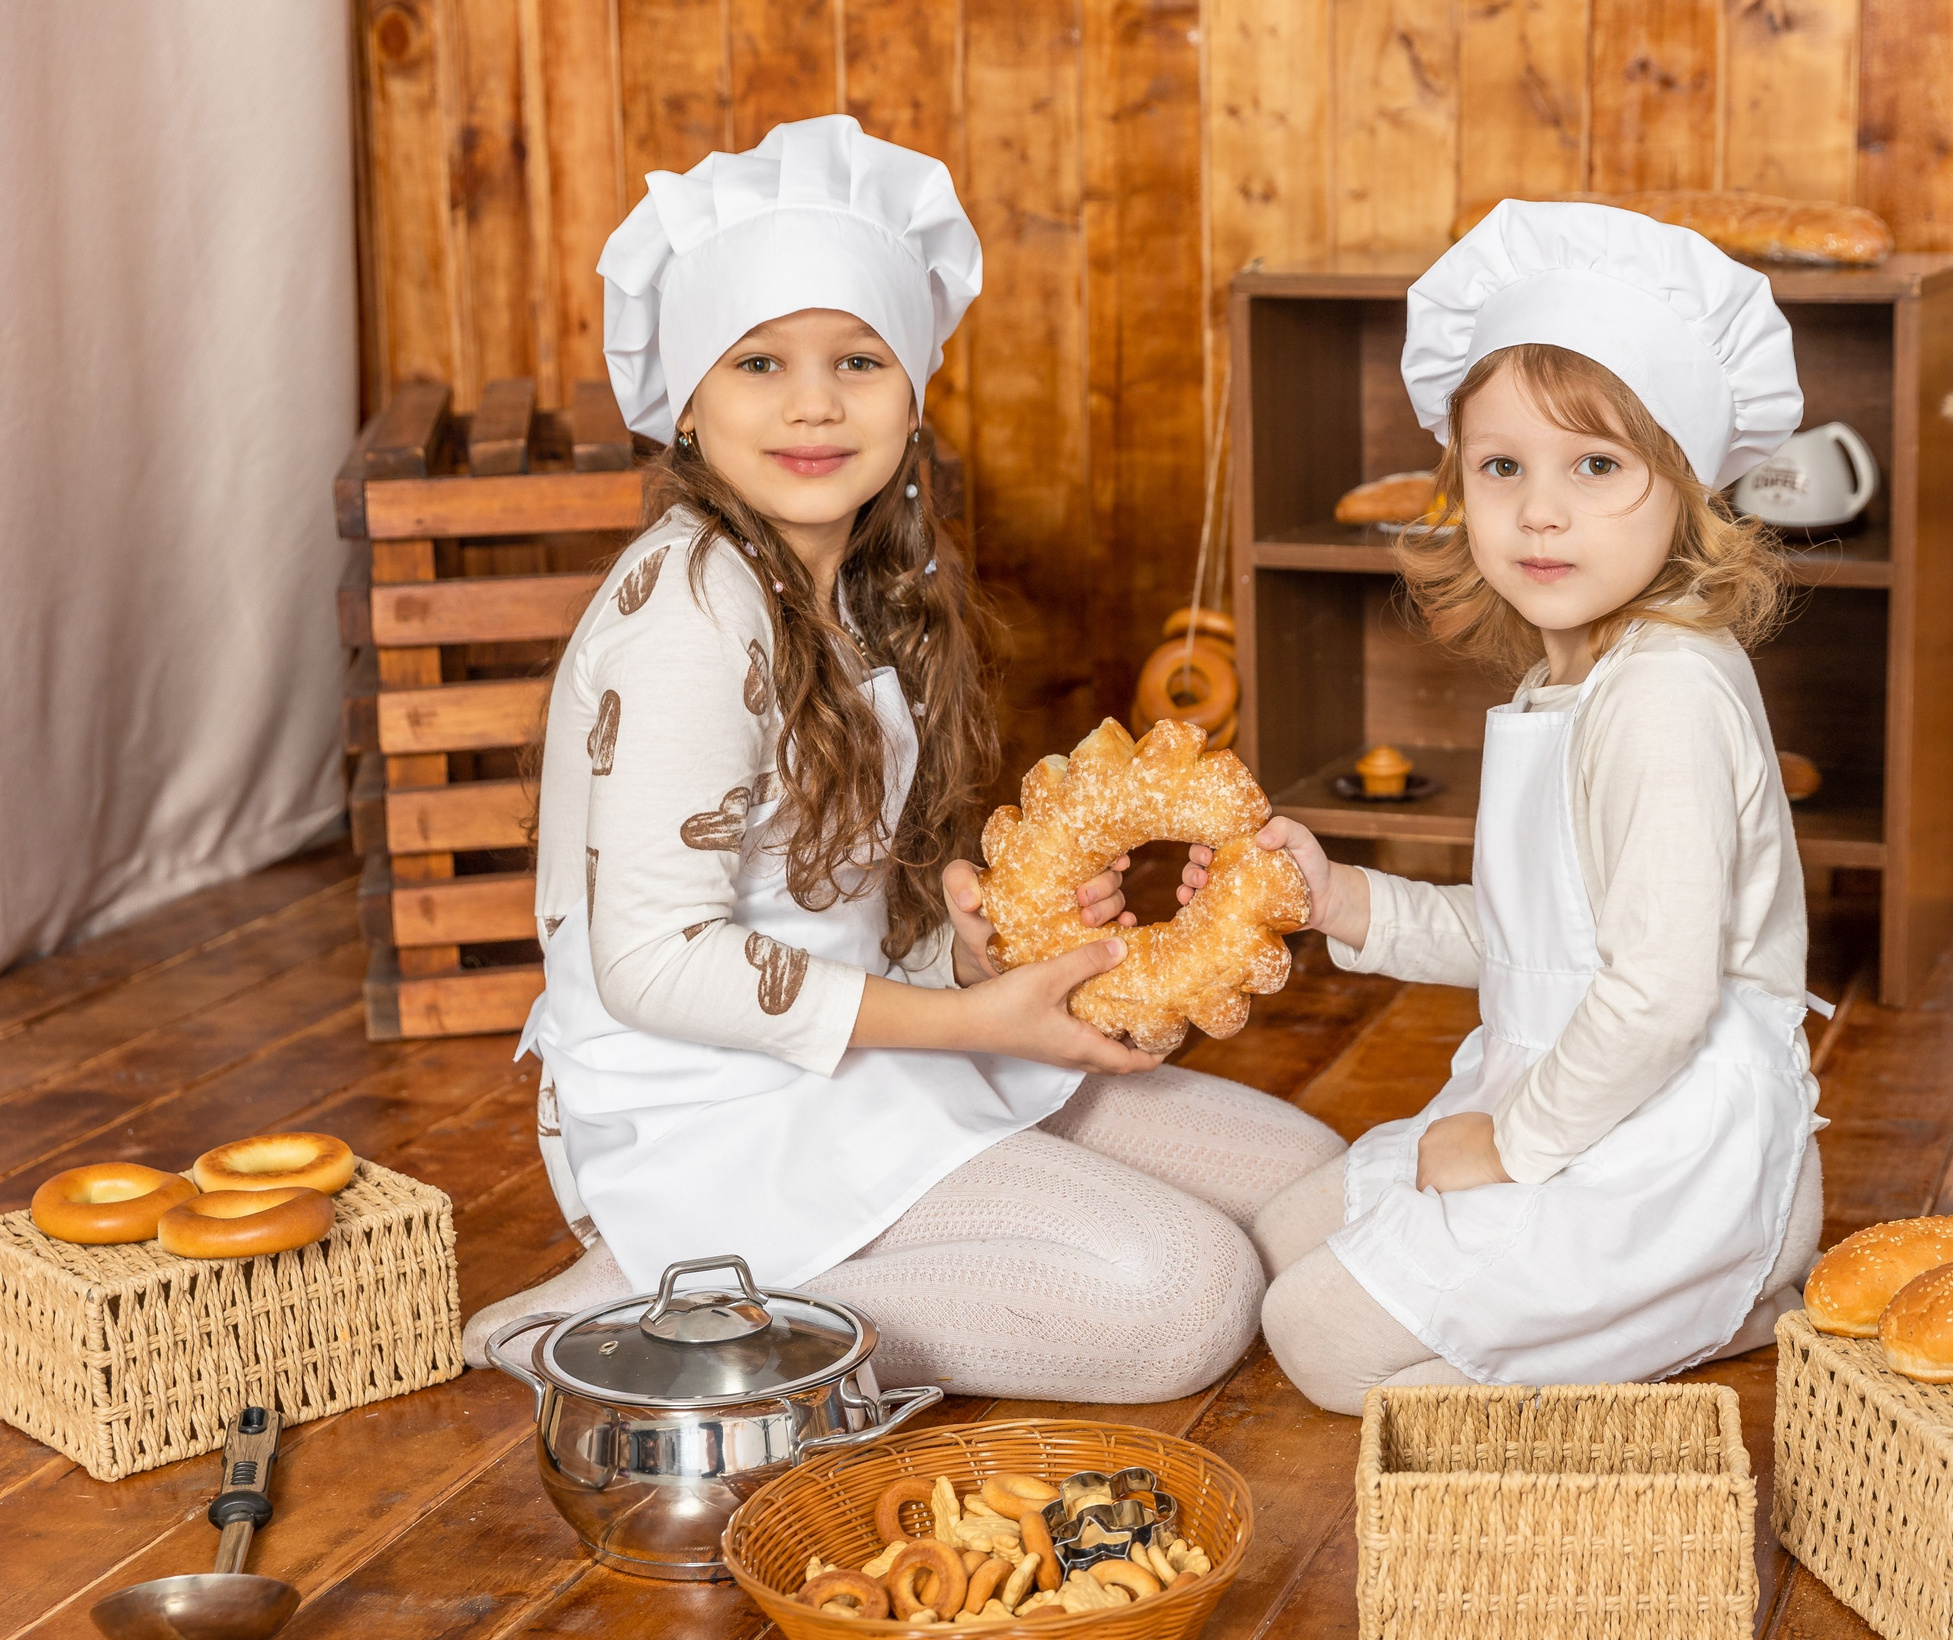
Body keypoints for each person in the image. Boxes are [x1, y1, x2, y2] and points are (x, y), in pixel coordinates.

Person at [461, 116, 1339, 1402]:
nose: (813, 403)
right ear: (687, 407)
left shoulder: (858, 585)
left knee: (1311, 1188)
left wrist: (968, 955)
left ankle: (802, 1275)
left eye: (855, 361)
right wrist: (965, 1019)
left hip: (886, 1041)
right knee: (1184, 1296)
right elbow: (653, 960)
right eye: (759, 361)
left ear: (910, 392)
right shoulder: (694, 613)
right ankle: (656, 1317)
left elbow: (827, 906)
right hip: (717, 1114)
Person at [1230, 200, 1830, 1412]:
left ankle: (1733, 1281)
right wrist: (1341, 898)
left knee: (1316, 1337)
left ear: (1686, 487)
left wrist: (1507, 1147)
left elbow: (1659, 994)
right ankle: (1676, 1292)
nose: (1538, 510)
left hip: (1673, 1136)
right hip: (1571, 1079)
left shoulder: (1662, 695)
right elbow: (1539, 940)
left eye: (1594, 466)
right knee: (1284, 1238)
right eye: (1502, 467)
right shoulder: (1573, 670)